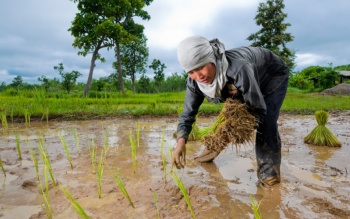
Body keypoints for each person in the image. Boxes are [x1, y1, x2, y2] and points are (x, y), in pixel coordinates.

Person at [171, 35, 289, 188]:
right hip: (241, 82)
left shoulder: (238, 68)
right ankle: (212, 149)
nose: (198, 76)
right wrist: (180, 143)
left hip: (272, 75)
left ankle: (269, 177)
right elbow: (188, 113)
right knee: (230, 114)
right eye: (191, 71)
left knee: (266, 124)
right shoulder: (195, 82)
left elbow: (259, 110)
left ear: (212, 59)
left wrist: (235, 130)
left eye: (201, 67)